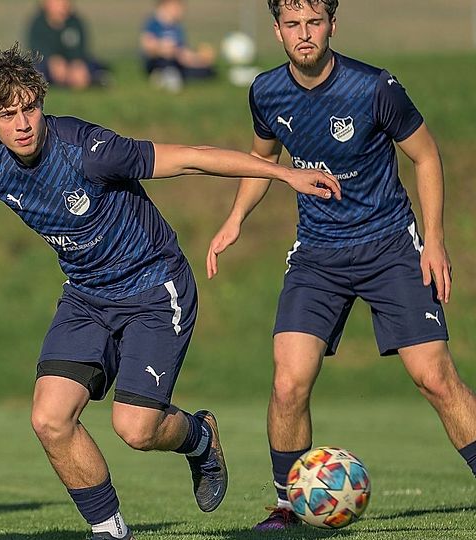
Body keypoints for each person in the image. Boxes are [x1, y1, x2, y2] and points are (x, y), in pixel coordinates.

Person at [0, 44, 341, 540]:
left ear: (41, 103)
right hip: (86, 296)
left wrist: (283, 174)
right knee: (49, 418)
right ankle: (110, 530)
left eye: (29, 108)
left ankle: (198, 437)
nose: (23, 123)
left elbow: (192, 156)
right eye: (7, 115)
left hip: (154, 287)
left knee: (135, 427)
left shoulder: (88, 148)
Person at [205, 0, 476, 531]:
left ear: (332, 24)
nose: (304, 34)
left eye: (314, 22)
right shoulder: (265, 91)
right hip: (317, 256)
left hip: (389, 247)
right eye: (292, 25)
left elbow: (425, 156)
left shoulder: (375, 87)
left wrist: (435, 241)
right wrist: (236, 217)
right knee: (288, 382)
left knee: (434, 378)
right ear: (277, 30)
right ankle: (288, 509)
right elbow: (263, 161)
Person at [27, 0, 105, 89]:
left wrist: (76, 64)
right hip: (48, 65)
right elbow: (38, 49)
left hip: (71, 63)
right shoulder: (38, 24)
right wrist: (53, 61)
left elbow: (79, 50)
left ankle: (96, 78)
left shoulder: (75, 22)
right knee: (37, 70)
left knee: (93, 65)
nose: (63, 5)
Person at [139, 0, 216, 92]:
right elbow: (147, 45)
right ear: (165, 6)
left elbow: (182, 50)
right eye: (177, 7)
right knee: (167, 61)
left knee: (208, 70)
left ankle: (169, 76)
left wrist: (197, 59)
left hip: (176, 61)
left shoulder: (177, 27)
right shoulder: (153, 23)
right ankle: (163, 76)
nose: (181, 11)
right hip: (158, 60)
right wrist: (161, 48)